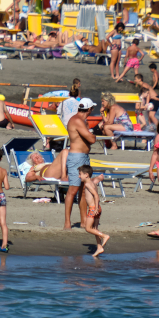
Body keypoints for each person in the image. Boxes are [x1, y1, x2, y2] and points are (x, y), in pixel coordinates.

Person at [64, 98, 97, 230]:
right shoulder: (77, 120)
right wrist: (92, 135)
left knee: (83, 190)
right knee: (73, 190)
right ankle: (67, 222)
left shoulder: (82, 121)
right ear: (89, 109)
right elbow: (91, 139)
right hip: (76, 157)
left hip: (83, 157)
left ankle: (83, 221)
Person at [78, 164, 110, 256]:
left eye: (80, 174)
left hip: (93, 208)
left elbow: (96, 196)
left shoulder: (88, 184)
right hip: (98, 208)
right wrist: (100, 177)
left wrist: (95, 208)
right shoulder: (92, 182)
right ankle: (99, 247)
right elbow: (97, 180)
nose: (79, 176)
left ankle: (105, 236)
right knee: (95, 229)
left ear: (86, 175)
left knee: (88, 228)